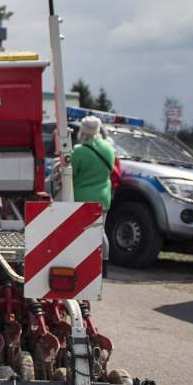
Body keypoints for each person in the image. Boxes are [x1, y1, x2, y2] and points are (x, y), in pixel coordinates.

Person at [72, 115, 116, 273]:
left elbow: (72, 174)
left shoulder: (79, 151)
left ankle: (81, 263)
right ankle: (104, 264)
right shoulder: (109, 149)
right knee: (100, 231)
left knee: (79, 233)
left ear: (82, 130)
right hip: (103, 197)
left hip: (81, 198)